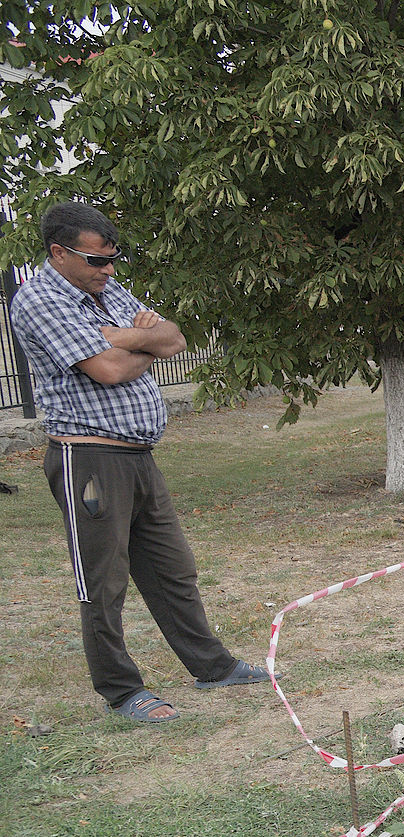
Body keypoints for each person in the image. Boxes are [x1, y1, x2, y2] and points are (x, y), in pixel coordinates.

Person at [11, 201, 270, 725]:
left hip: (137, 456)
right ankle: (122, 690)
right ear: (59, 253)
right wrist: (138, 342)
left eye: (113, 259)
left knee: (174, 570)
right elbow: (107, 370)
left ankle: (212, 668)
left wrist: (124, 338)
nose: (109, 271)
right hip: (88, 457)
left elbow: (174, 337)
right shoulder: (38, 300)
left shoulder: (102, 291)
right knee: (103, 581)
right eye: (96, 261)